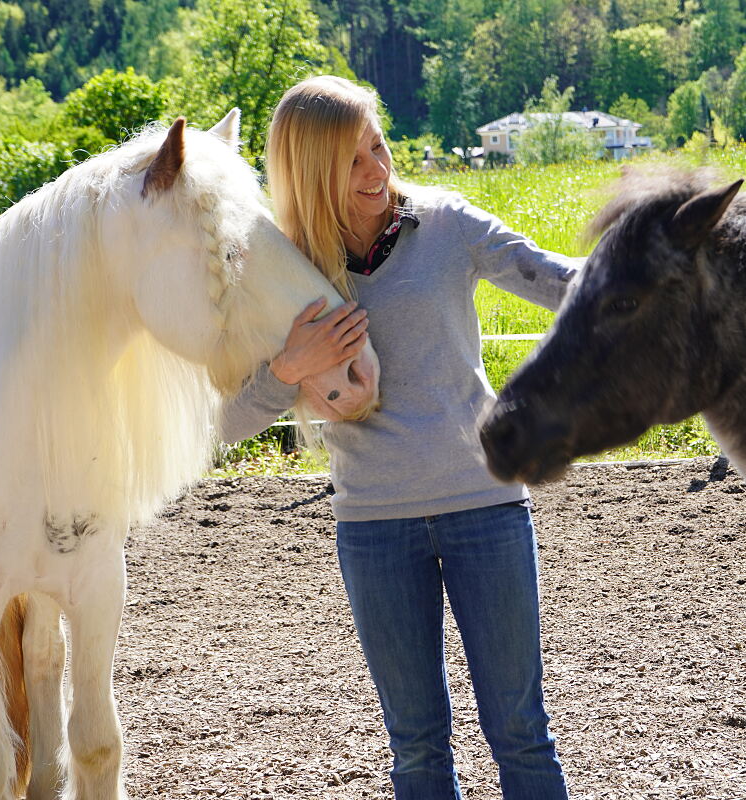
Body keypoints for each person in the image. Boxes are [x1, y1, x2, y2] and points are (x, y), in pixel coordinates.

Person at [221, 75, 580, 800]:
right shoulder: (282, 272)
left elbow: (555, 277)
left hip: (485, 508)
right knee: (416, 747)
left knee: (520, 732)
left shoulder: (445, 225)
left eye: (379, 147)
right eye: (352, 161)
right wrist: (288, 368)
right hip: (374, 529)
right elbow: (218, 427)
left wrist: (666, 282)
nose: (378, 171)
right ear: (310, 171)